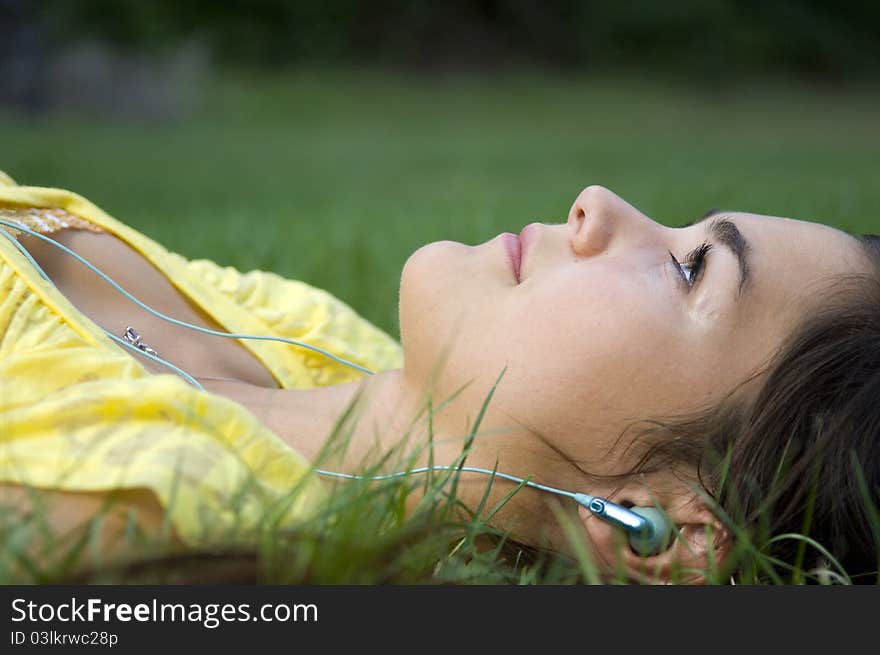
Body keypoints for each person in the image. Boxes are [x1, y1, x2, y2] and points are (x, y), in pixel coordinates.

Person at [0, 171, 877, 584]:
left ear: (671, 530)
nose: (599, 203)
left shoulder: (145, 503)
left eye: (691, 269)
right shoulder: (309, 336)